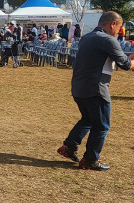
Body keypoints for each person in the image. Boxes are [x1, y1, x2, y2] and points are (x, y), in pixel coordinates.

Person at [57, 11, 134, 171]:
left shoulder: (87, 37)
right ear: (113, 24)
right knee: (102, 126)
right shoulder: (107, 40)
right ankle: (90, 160)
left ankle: (69, 147)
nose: (119, 32)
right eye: (119, 28)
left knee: (88, 120)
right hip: (96, 89)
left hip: (79, 87)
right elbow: (126, 65)